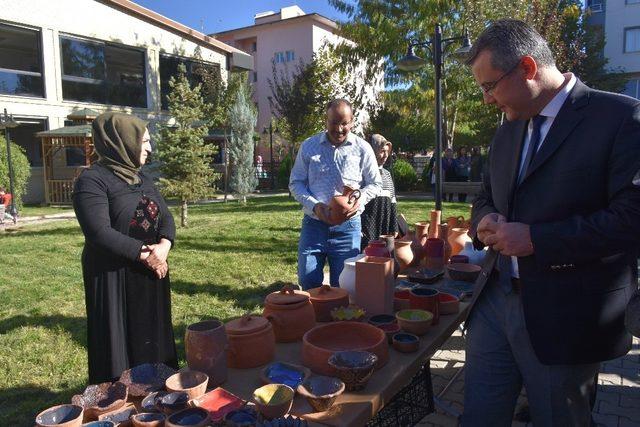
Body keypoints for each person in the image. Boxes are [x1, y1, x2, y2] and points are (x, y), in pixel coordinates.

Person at [463, 19, 640, 425]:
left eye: (490, 86)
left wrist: (537, 240)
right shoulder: (506, 128)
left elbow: (631, 220)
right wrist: (484, 219)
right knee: (480, 415)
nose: (488, 99)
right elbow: (485, 195)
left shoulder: (621, 118)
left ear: (527, 68)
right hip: (494, 301)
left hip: (566, 314)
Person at [73, 112, 178, 384]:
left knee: (151, 338)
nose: (149, 148)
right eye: (144, 141)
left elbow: (165, 217)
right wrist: (146, 255)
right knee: (118, 346)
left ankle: (155, 395)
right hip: (113, 277)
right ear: (123, 141)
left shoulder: (142, 179)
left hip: (148, 275)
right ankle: (121, 405)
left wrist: (164, 247)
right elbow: (99, 232)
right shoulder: (92, 180)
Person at [289, 99, 382, 290]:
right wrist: (314, 205)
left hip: (348, 227)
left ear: (352, 121)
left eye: (344, 123)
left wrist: (359, 198)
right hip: (314, 224)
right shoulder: (309, 146)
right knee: (307, 281)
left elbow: (375, 183)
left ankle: (338, 320)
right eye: (334, 122)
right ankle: (314, 318)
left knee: (344, 286)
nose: (339, 129)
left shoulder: (362, 148)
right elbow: (295, 182)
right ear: (326, 120)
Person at [360, 134, 398, 249]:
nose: (385, 155)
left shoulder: (387, 174)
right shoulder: (362, 173)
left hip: (384, 222)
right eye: (382, 151)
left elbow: (392, 201)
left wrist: (394, 226)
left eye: (387, 151)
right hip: (368, 222)